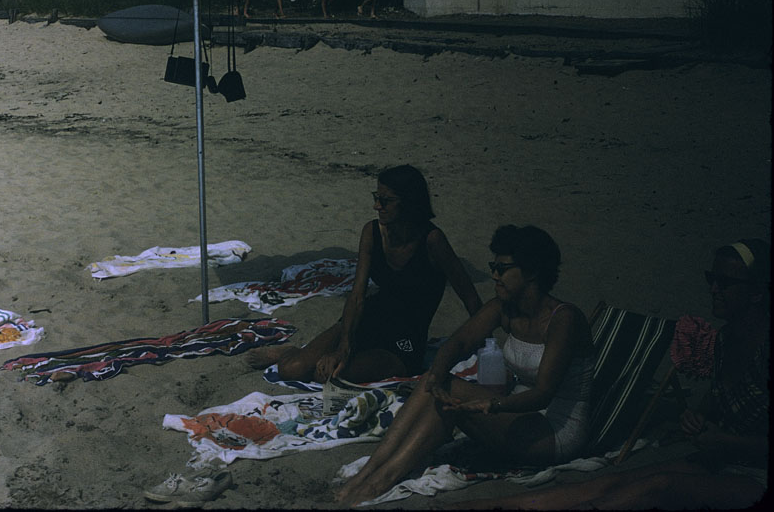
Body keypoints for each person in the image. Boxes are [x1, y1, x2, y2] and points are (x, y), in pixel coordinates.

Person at [458, 238, 769, 510]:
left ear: (757, 292)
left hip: (758, 475)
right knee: (605, 484)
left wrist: (723, 439)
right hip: (723, 457)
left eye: (725, 283)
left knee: (657, 487)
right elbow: (714, 404)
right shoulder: (725, 340)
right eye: (711, 278)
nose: (714, 289)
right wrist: (697, 419)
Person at [336, 225, 595, 506]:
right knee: (434, 381)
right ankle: (371, 471)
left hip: (555, 432)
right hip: (519, 416)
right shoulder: (505, 308)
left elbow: (544, 393)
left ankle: (381, 480)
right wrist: (436, 376)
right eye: (493, 267)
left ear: (532, 272)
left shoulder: (562, 320)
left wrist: (493, 405)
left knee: (453, 394)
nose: (494, 275)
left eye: (502, 269)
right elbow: (458, 342)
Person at [246, 165, 482, 383]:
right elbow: (357, 295)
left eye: (386, 201)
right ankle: (292, 352)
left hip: (404, 340)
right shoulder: (372, 232)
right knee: (292, 369)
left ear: (409, 202)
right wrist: (344, 346)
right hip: (368, 319)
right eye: (376, 198)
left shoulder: (432, 241)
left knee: (327, 375)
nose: (377, 206)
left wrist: (485, 345)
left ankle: (316, 353)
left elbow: (469, 296)